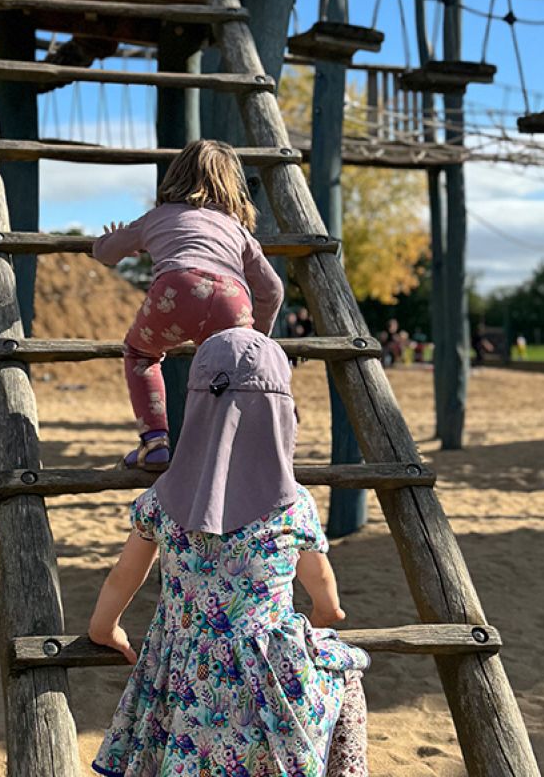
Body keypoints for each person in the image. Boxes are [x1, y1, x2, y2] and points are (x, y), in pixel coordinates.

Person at [89, 328, 370, 777]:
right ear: (281, 415)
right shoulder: (293, 508)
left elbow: (124, 576)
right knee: (347, 679)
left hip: (185, 693)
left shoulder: (161, 501)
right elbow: (325, 593)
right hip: (268, 697)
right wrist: (323, 614)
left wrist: (105, 628)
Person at [93, 139, 284, 471]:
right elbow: (273, 289)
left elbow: (105, 254)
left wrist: (110, 240)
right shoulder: (237, 229)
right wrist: (257, 338)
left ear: (176, 175)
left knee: (140, 354)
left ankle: (154, 441)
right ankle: (226, 446)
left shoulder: (157, 216)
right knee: (229, 369)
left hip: (176, 290)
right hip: (231, 300)